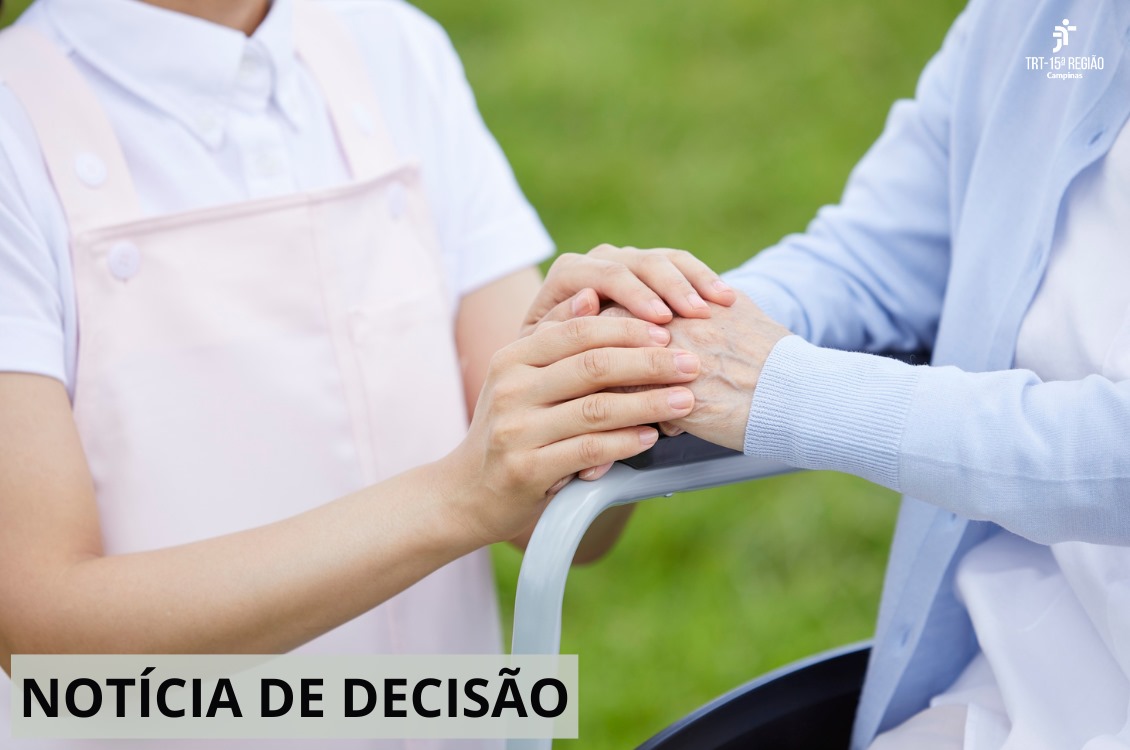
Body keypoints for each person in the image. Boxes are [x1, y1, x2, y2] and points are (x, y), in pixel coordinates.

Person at [0, 0, 741, 748]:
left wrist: (603, 382)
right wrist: (459, 496)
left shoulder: (391, 47)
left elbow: (568, 530)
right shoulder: (15, 127)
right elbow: (42, 642)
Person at [545, 0, 1130, 747]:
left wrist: (783, 388)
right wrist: (661, 327)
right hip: (1015, 675)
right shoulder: (1032, 19)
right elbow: (878, 254)